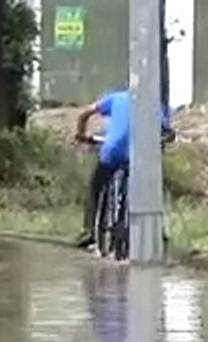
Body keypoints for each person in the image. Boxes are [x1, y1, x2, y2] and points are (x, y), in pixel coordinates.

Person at [73, 89, 174, 249]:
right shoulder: (157, 104)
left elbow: (84, 115)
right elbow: (167, 133)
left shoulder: (115, 98)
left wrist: (81, 135)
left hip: (112, 151)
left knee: (95, 188)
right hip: (139, 157)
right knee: (150, 190)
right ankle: (156, 230)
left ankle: (89, 232)